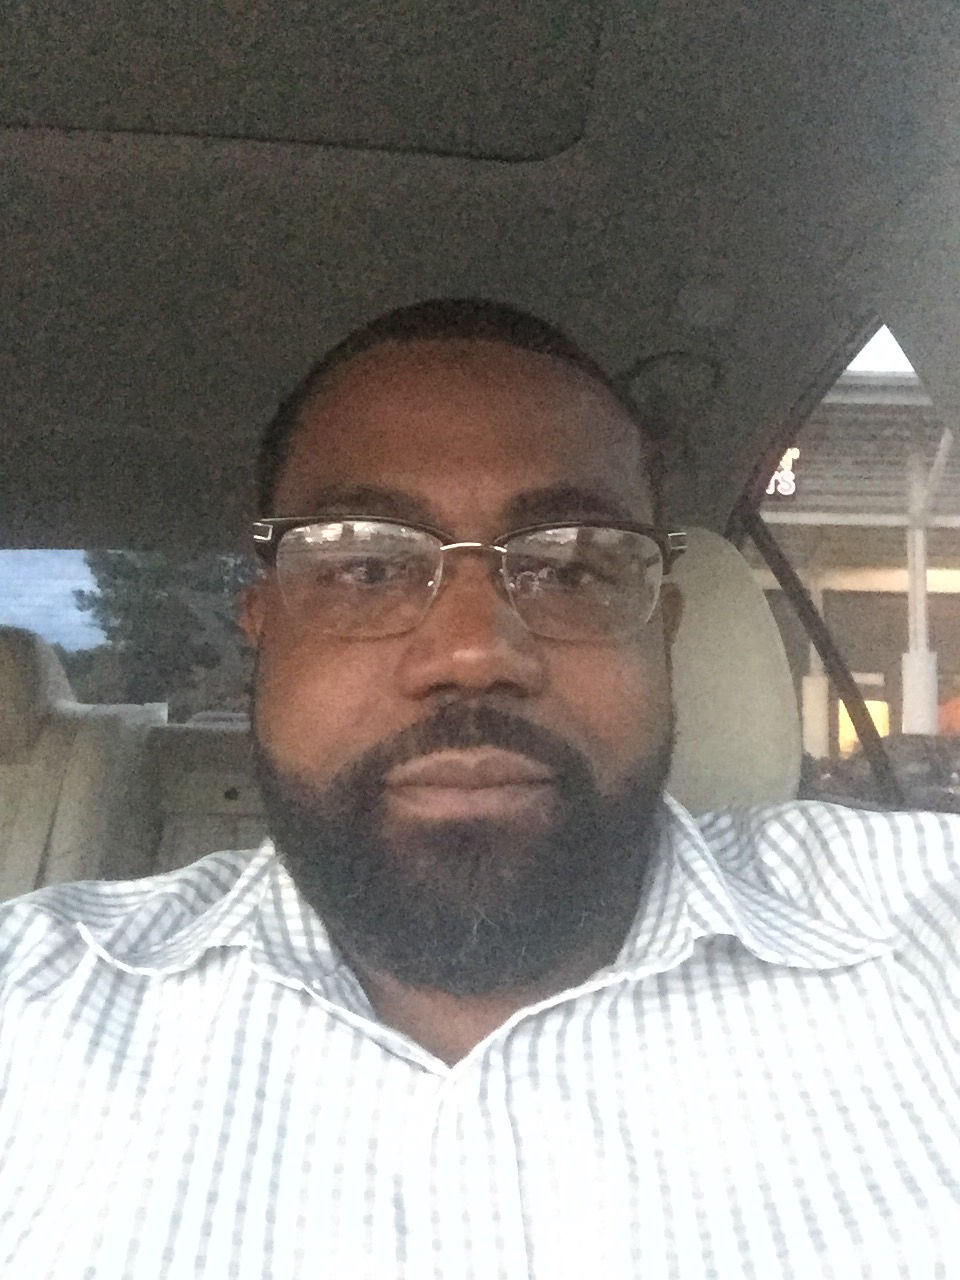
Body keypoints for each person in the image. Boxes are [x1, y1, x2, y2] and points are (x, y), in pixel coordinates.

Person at [1, 298, 957, 1277]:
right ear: (264, 629)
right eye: (366, 566)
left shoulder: (929, 940)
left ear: (664, 636)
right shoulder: (30, 1009)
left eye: (572, 569)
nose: (471, 652)